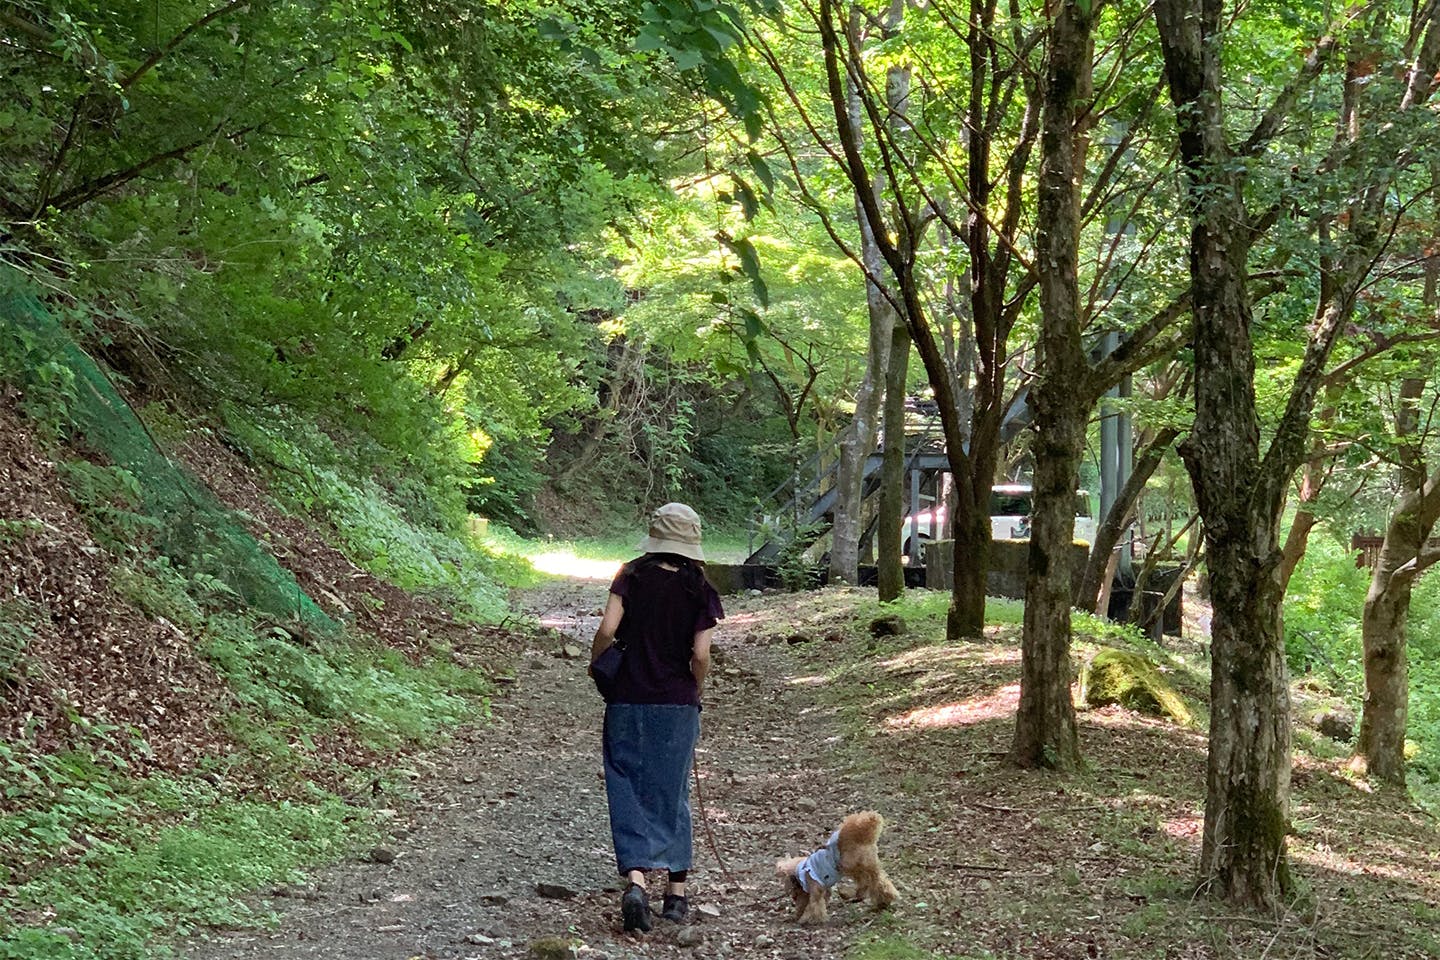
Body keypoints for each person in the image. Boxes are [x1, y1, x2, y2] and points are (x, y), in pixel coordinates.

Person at [590, 502, 724, 932]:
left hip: (626, 697)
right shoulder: (699, 588)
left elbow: (608, 630)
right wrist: (695, 688)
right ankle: (676, 893)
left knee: (625, 784)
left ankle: (635, 881)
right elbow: (701, 654)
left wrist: (597, 663)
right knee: (673, 790)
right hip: (676, 703)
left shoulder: (629, 574)